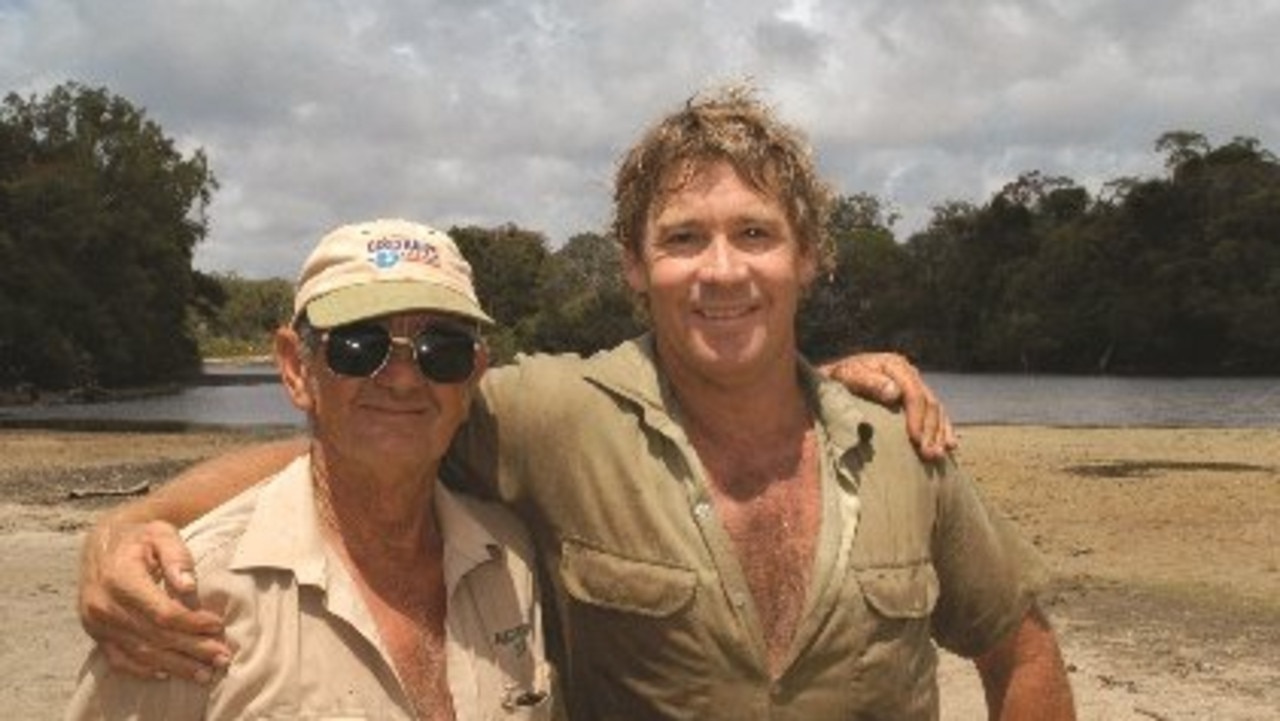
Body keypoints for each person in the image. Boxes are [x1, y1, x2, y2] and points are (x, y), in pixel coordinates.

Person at [78, 86, 1072, 719]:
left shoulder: (897, 438)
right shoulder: (558, 415)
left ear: (809, 256)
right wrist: (143, 519)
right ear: (635, 269)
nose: (719, 271)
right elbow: (373, 438)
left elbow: (1016, 646)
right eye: (682, 238)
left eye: (754, 234)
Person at [67, 219, 555, 719]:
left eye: (442, 350)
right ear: (296, 369)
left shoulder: (511, 561)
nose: (405, 378)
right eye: (360, 346)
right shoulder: (186, 599)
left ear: (472, 377)